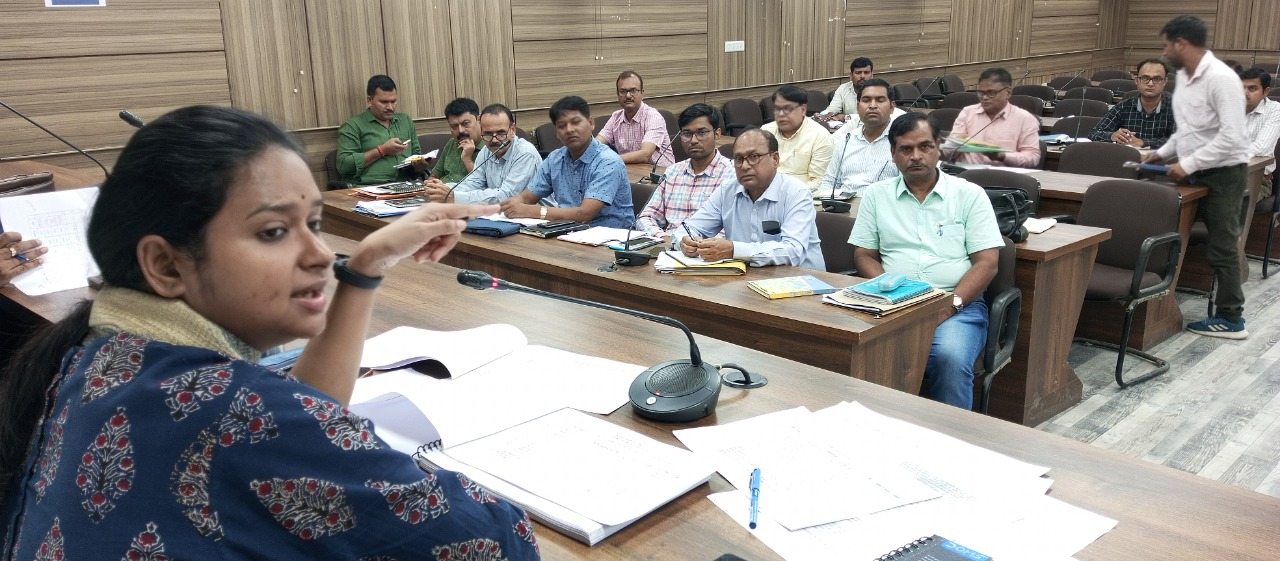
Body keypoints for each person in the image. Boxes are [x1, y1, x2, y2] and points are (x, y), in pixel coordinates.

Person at [0, 106, 541, 560]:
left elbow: (300, 420)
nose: (320, 255)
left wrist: (365, 268)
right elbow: (499, 543)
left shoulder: (92, 356)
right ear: (165, 265)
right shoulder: (236, 413)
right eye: (274, 231)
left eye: (315, 224)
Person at [848, 112, 1003, 409]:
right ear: (893, 153)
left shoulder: (970, 195)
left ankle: (951, 434)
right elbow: (864, 255)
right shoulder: (876, 196)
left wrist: (948, 306)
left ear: (939, 147)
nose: (916, 156)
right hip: (892, 304)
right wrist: (890, 291)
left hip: (957, 304)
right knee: (857, 351)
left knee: (949, 358)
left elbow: (987, 263)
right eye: (906, 149)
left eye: (925, 147)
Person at [1144, 15, 1251, 339]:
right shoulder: (1187, 78)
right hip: (1194, 170)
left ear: (1182, 43)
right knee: (1167, 230)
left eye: (1167, 45)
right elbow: (1188, 131)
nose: (1165, 52)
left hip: (1223, 173)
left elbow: (1231, 136)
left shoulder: (1220, 78)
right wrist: (1162, 153)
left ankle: (1231, 318)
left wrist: (1188, 164)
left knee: (1222, 246)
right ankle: (1159, 305)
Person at [675, 128, 825, 270]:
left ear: (775, 159)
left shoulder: (796, 193)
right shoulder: (727, 191)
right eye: (738, 159)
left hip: (802, 280)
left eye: (754, 157)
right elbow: (689, 228)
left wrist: (734, 250)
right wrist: (685, 241)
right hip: (745, 277)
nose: (744, 166)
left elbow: (792, 252)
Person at [501, 96, 633, 227]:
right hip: (567, 232)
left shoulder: (608, 161)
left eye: (575, 122)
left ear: (591, 123)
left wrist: (531, 210)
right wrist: (513, 204)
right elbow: (526, 198)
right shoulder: (555, 159)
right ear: (557, 133)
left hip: (612, 235)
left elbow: (584, 215)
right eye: (562, 126)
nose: (569, 130)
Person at [636, 103, 735, 238]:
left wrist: (698, 245)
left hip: (707, 248)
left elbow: (732, 229)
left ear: (717, 134)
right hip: (667, 244)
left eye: (701, 133)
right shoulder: (672, 172)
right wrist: (663, 238)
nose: (693, 140)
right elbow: (646, 217)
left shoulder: (731, 176)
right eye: (687, 134)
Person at [426, 103, 543, 205]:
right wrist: (441, 189)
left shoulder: (525, 153)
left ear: (512, 130)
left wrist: (454, 197)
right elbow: (472, 184)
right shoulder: (486, 151)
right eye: (488, 134)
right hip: (503, 214)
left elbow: (507, 195)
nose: (494, 140)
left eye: (501, 133)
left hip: (538, 217)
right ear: (481, 131)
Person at [817, 78, 902, 202]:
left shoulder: (902, 143)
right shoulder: (846, 140)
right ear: (858, 106)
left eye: (880, 100)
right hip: (843, 207)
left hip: (882, 207)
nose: (872, 106)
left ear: (892, 107)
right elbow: (829, 182)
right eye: (866, 100)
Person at [336, 75, 428, 184]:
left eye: (393, 101)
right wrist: (382, 150)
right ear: (370, 100)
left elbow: (416, 154)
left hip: (404, 185)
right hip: (369, 187)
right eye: (384, 102)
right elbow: (343, 166)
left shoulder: (405, 121)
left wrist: (419, 166)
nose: (390, 107)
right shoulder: (352, 126)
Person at [948, 67, 1041, 168]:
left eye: (991, 93)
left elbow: (1033, 157)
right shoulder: (968, 112)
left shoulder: (1025, 119)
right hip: (965, 173)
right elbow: (947, 150)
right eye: (981, 93)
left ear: (1008, 93)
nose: (984, 97)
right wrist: (954, 145)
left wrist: (1003, 156)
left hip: (1003, 175)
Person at [1088, 59, 1176, 148]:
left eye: (1157, 79)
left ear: (1165, 81)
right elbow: (1094, 133)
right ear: (1136, 80)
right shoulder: (1124, 106)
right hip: (1128, 156)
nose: (1150, 84)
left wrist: (1143, 142)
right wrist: (1113, 136)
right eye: (1145, 78)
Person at [762, 85, 834, 194]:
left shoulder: (820, 136)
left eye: (787, 109)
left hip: (799, 196)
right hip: (764, 193)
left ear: (803, 110)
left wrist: (784, 192)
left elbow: (819, 181)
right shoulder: (765, 132)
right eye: (777, 109)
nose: (781, 114)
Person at [596, 71, 675, 167]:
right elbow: (596, 145)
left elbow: (645, 154)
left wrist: (611, 160)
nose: (628, 96)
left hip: (660, 173)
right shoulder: (616, 117)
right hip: (631, 171)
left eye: (633, 90)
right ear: (617, 95)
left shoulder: (653, 117)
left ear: (642, 93)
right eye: (623, 91)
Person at [1242, 68, 1280, 198]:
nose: (1245, 93)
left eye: (1252, 89)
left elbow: (1261, 148)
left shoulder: (1275, 110)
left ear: (1266, 91)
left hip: (1257, 181)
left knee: (1226, 203)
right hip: (1220, 176)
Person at [427, 97, 483, 186]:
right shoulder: (452, 143)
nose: (460, 130)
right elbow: (434, 176)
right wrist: (430, 184)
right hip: (441, 191)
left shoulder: (489, 147)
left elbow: (484, 183)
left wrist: (467, 159)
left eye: (466, 123)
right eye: (454, 126)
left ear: (479, 120)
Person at [818, 57, 875, 124]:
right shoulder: (843, 88)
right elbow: (832, 109)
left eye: (866, 72)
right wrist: (822, 115)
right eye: (858, 73)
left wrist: (846, 117)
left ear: (872, 75)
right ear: (851, 76)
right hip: (849, 127)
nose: (862, 76)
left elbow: (873, 116)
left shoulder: (879, 90)